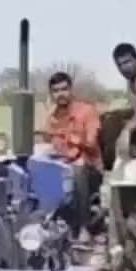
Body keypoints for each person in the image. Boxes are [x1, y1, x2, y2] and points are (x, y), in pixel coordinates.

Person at [37, 71, 102, 243]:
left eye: (64, 89)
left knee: (78, 169)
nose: (61, 94)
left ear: (71, 90)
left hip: (89, 166)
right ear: (51, 94)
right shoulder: (52, 118)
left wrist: (69, 139)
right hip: (63, 165)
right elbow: (51, 142)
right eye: (56, 91)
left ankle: (84, 227)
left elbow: (91, 143)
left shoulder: (87, 112)